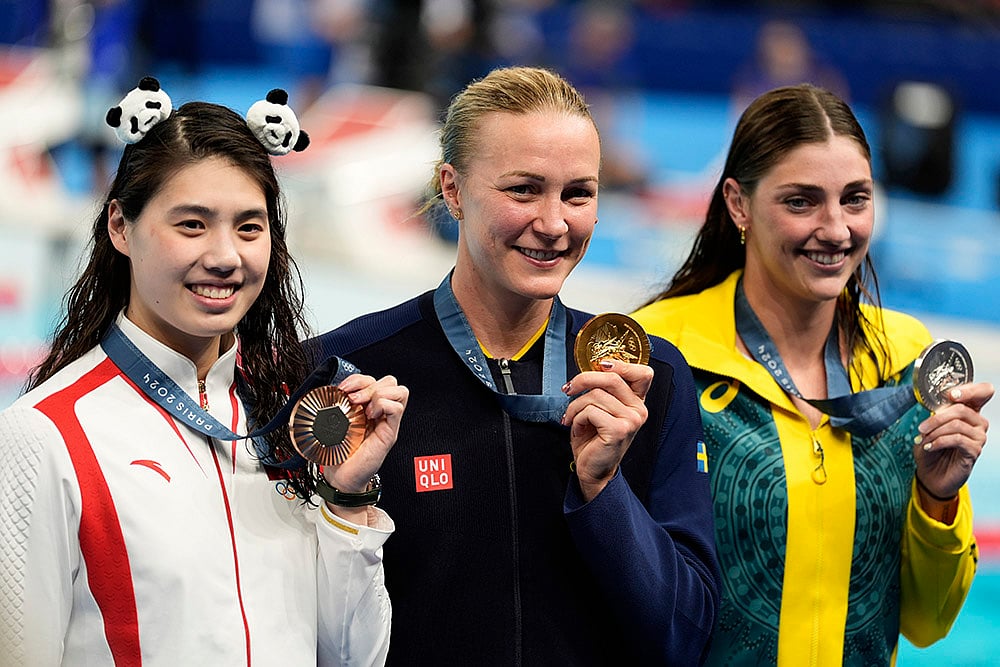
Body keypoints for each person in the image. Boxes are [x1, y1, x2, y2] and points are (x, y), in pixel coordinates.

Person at [307, 65, 720, 665]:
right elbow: (296, 627)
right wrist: (343, 502)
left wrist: (603, 490)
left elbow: (684, 638)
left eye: (578, 194)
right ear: (452, 189)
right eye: (523, 190)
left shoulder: (649, 380)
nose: (553, 224)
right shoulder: (347, 373)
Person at [0, 78, 408, 665]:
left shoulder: (283, 422)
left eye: (249, 227)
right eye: (192, 224)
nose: (225, 257)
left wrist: (345, 497)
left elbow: (354, 657)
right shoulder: (45, 435)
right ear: (120, 226)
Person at [632, 83, 993, 665]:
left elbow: (928, 623)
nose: (837, 229)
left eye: (855, 199)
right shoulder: (662, 356)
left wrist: (938, 497)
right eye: (801, 202)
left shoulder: (907, 363)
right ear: (738, 204)